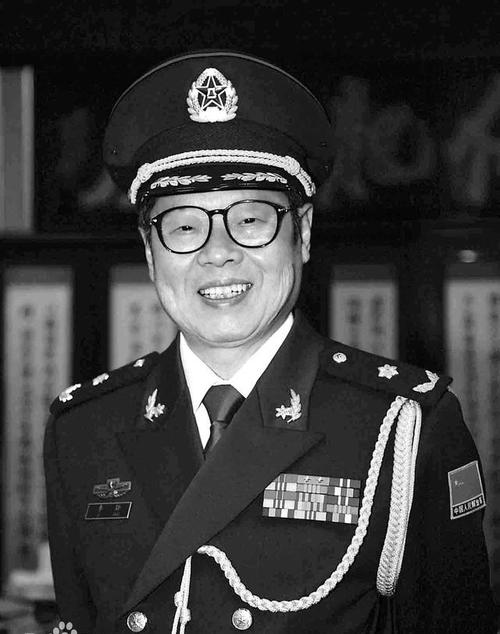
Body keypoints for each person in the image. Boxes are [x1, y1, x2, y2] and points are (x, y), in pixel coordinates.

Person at [44, 50, 497, 634]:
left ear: (301, 233)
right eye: (184, 226)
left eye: (251, 220)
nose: (217, 253)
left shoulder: (403, 427)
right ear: (150, 253)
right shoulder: (84, 429)